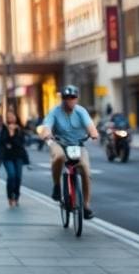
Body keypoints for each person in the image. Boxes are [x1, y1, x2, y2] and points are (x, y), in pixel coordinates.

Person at [38, 85, 99, 219]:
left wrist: (93, 134)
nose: (69, 101)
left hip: (79, 144)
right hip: (59, 143)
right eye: (66, 98)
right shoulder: (54, 112)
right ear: (62, 99)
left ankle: (86, 206)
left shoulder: (81, 111)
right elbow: (47, 126)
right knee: (58, 156)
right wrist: (47, 134)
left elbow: (90, 126)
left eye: (72, 98)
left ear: (77, 99)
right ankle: (56, 186)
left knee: (86, 171)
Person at [0, 109, 29, 206]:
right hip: (7, 157)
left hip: (18, 156)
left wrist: (12, 136)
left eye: (12, 116)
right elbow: (3, 143)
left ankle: (16, 196)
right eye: (8, 117)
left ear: (15, 117)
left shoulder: (20, 129)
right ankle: (10, 196)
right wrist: (10, 135)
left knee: (18, 177)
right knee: (11, 175)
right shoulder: (4, 129)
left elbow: (20, 144)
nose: (10, 118)